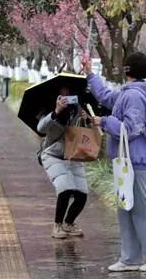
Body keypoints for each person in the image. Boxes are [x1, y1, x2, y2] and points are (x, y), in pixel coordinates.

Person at [84, 53, 146, 273]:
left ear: (127, 71)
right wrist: (89, 73)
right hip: (125, 161)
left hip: (134, 161)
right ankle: (130, 258)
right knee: (127, 208)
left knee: (142, 208)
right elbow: (106, 96)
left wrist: (103, 121)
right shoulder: (129, 93)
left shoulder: (133, 97)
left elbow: (132, 129)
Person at [37, 88, 90, 239]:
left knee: (82, 194)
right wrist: (56, 111)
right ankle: (57, 226)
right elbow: (40, 128)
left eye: (69, 94)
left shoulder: (77, 108)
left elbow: (86, 130)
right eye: (62, 95)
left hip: (73, 154)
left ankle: (69, 223)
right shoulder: (48, 109)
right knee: (65, 189)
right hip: (52, 154)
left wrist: (86, 118)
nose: (66, 97)